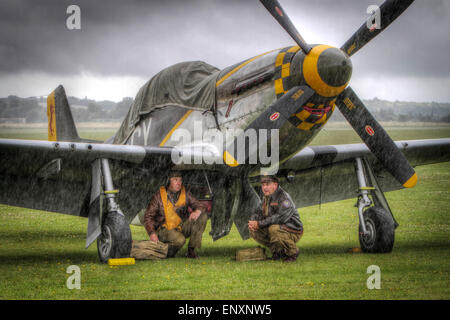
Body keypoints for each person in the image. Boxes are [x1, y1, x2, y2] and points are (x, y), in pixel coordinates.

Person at [144, 171, 208, 259]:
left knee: (203, 216)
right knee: (180, 240)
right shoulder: (158, 196)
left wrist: (197, 211)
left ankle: (191, 250)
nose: (179, 183)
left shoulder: (185, 193)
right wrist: (152, 233)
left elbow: (200, 205)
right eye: (175, 180)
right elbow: (148, 216)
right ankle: (163, 252)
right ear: (168, 182)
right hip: (164, 228)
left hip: (180, 226)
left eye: (180, 180)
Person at [248, 175, 303, 262]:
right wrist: (253, 222)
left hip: (292, 229)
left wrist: (259, 224)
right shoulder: (266, 197)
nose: (264, 188)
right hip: (279, 227)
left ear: (275, 185)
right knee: (254, 230)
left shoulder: (284, 198)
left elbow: (280, 218)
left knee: (273, 229)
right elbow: (258, 212)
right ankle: (278, 252)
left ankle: (293, 252)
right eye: (263, 185)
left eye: (267, 184)